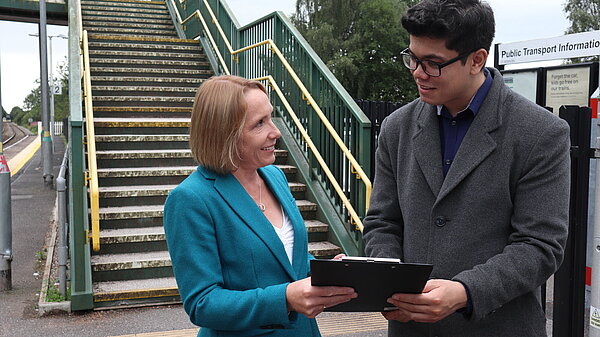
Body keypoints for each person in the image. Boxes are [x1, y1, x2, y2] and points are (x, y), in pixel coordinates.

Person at [362, 0, 571, 336]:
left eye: (433, 63)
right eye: (413, 58)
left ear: (477, 60)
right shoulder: (395, 127)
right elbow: (382, 221)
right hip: (411, 327)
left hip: (499, 327)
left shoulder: (541, 133)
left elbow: (540, 246)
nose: (417, 72)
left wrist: (465, 292)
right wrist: (390, 281)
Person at [163, 75, 357, 337]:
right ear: (224, 134)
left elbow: (284, 258)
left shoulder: (274, 176)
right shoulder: (191, 199)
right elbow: (202, 303)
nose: (276, 132)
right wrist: (285, 299)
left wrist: (326, 270)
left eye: (271, 117)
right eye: (259, 124)